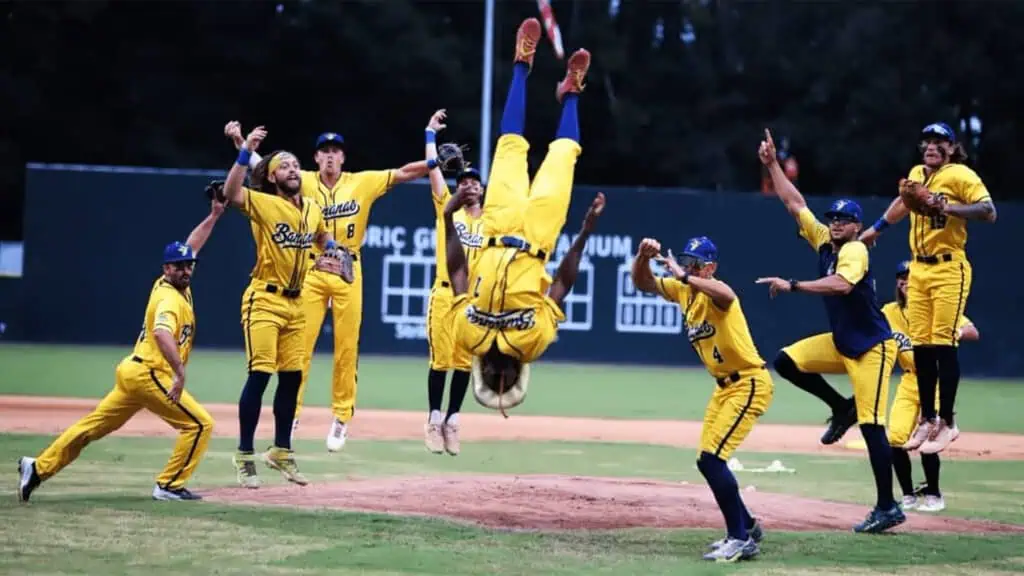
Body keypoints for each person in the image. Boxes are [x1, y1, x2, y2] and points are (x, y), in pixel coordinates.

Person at [225, 121, 429, 452]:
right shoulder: (300, 179)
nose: (330, 157)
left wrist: (433, 162)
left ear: (343, 158)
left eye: (336, 152)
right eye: (325, 152)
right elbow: (262, 166)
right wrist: (240, 144)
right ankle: (291, 414)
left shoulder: (361, 182)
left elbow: (404, 173)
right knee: (300, 345)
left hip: (348, 266)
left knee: (347, 347)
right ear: (316, 158)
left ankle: (341, 416)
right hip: (311, 268)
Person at [441, 18, 602, 415]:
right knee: (564, 155)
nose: (502, 378)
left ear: (482, 372)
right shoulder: (533, 341)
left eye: (496, 382)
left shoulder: (469, 337)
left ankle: (521, 63)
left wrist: (448, 219)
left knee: (510, 145)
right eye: (507, 383)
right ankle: (572, 93)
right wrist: (583, 233)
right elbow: (562, 284)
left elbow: (458, 273)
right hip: (538, 240)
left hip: (496, 227)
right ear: (518, 375)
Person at [17, 198, 225, 502]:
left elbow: (192, 245)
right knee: (199, 425)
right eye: (178, 266)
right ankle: (168, 485)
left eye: (188, 266)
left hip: (133, 372)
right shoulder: (168, 298)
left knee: (91, 429)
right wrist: (179, 374)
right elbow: (162, 332)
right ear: (166, 269)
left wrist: (214, 216)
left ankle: (37, 468)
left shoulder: (172, 285)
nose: (185, 270)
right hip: (150, 374)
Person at [755, 128, 903, 534]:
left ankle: (888, 506)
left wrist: (795, 285)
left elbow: (842, 284)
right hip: (843, 344)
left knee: (873, 427)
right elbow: (794, 202)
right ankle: (841, 407)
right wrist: (771, 165)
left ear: (857, 227)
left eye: (845, 220)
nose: (836, 224)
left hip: (872, 348)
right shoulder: (824, 241)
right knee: (786, 361)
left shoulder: (855, 251)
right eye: (834, 218)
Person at [859, 122, 996, 454]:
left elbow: (988, 211)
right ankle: (928, 418)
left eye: (940, 142)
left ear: (951, 147)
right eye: (928, 141)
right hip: (918, 267)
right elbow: (904, 201)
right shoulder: (917, 172)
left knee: (943, 343)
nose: (932, 146)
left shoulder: (961, 175)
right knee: (921, 346)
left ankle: (948, 422)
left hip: (950, 266)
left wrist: (944, 206)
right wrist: (877, 229)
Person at [631, 236, 770, 563]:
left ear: (710, 268)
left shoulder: (713, 289)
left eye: (695, 263)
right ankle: (747, 525)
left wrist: (683, 275)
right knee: (706, 461)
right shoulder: (684, 292)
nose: (689, 266)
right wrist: (642, 257)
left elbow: (727, 295)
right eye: (686, 260)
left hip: (749, 382)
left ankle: (739, 539)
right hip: (724, 388)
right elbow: (643, 283)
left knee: (712, 460)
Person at [223, 126, 341, 488]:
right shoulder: (264, 203)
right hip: (264, 299)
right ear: (272, 177)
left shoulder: (314, 208)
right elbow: (230, 193)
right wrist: (245, 151)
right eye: (284, 166)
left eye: (295, 165)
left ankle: (281, 452)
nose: (292, 169)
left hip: (297, 302)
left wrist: (334, 251)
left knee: (292, 379)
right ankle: (244, 455)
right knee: (260, 375)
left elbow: (322, 238)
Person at [883, 260, 978, 512]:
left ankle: (934, 495)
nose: (905, 281)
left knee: (930, 440)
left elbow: (972, 331)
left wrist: (956, 333)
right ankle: (908, 496)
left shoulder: (937, 309)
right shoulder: (889, 312)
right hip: (908, 380)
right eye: (901, 277)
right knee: (895, 438)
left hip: (934, 381)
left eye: (910, 276)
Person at [423, 109, 485, 456]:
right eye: (464, 182)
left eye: (475, 182)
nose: (470, 185)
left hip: (472, 302)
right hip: (445, 295)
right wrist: (430, 134)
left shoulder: (491, 221)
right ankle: (433, 419)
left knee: (463, 362)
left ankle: (452, 421)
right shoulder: (448, 209)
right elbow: (433, 171)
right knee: (441, 360)